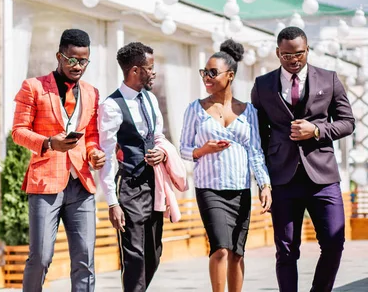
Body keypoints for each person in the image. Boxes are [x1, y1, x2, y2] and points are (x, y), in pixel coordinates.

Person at [251, 27, 355, 292]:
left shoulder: (329, 79)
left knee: (334, 243)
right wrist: (264, 179)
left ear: (307, 50)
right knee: (285, 251)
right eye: (287, 55)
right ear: (277, 53)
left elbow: (347, 123)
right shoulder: (262, 85)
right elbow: (258, 135)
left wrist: (318, 130)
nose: (293, 60)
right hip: (282, 178)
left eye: (299, 53)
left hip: (323, 176)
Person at [12, 29, 106, 292]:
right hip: (45, 182)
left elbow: (92, 135)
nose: (77, 66)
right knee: (41, 257)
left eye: (83, 61)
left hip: (81, 184)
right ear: (59, 56)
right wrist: (49, 143)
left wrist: (94, 153)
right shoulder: (33, 86)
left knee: (85, 258)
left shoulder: (92, 93)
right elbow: (18, 131)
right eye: (72, 59)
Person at [180, 39, 272, 292]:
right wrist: (203, 150)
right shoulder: (195, 109)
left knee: (237, 253)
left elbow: (255, 152)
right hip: (209, 189)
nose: (206, 77)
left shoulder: (249, 111)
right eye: (204, 72)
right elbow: (183, 149)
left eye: (212, 72)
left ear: (229, 75)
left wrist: (264, 185)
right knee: (220, 248)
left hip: (240, 191)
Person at [99, 42, 186, 292]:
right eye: (150, 68)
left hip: (154, 184)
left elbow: (157, 135)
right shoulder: (111, 106)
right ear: (135, 70)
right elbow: (106, 155)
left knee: (154, 252)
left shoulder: (150, 99)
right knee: (134, 256)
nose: (154, 72)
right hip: (128, 186)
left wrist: (162, 152)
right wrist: (112, 203)